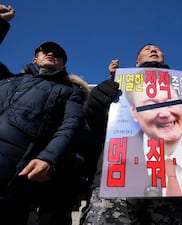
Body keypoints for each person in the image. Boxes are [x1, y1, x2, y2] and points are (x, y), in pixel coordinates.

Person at [82, 44, 182, 225]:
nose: (153, 50)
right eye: (147, 49)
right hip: (117, 186)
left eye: (158, 49)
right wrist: (95, 105)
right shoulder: (117, 91)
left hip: (177, 189)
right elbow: (93, 131)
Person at [0, 5, 87, 225]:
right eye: (45, 50)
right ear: (34, 59)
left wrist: (48, 157)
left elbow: (70, 125)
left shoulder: (70, 91)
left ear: (63, 63)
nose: (51, 53)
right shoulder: (8, 79)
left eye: (57, 54)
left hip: (13, 172)